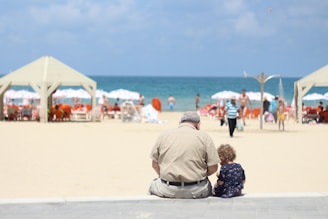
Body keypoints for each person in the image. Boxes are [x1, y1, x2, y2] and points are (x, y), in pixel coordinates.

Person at [148, 111, 220, 199]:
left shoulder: (164, 135)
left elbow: (154, 164)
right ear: (198, 124)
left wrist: (166, 175)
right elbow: (213, 168)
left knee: (153, 185)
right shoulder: (204, 137)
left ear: (180, 123)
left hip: (167, 189)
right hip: (197, 190)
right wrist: (199, 174)